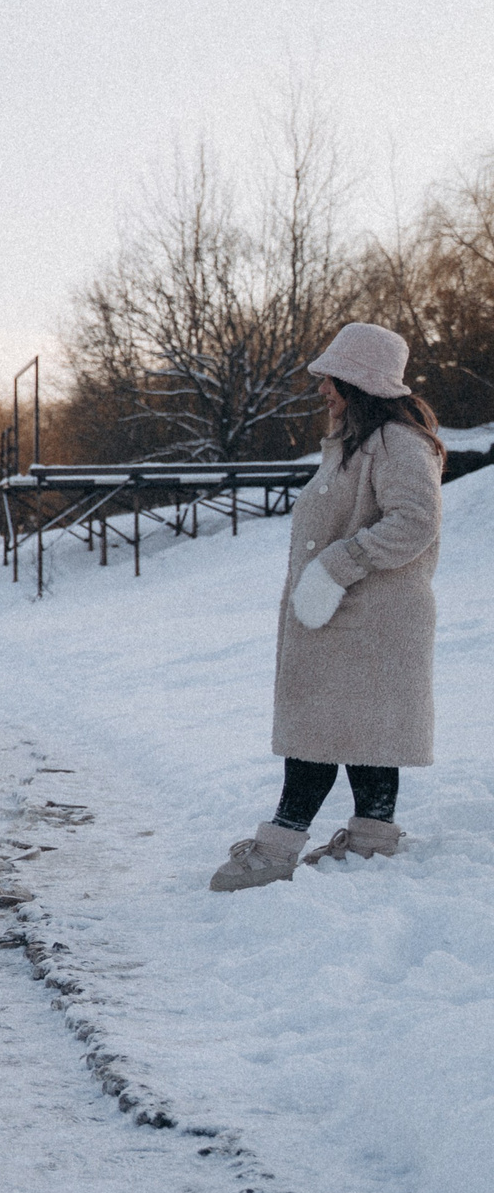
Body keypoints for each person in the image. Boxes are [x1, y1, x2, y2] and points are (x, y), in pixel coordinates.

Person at [211, 322, 443, 892]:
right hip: (348, 621)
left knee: (329, 731)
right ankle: (370, 843)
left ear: (358, 382)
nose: (322, 390)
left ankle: (279, 848)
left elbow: (415, 521)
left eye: (331, 379)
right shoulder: (357, 443)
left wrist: (338, 566)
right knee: (358, 730)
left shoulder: (396, 444)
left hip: (371, 619)